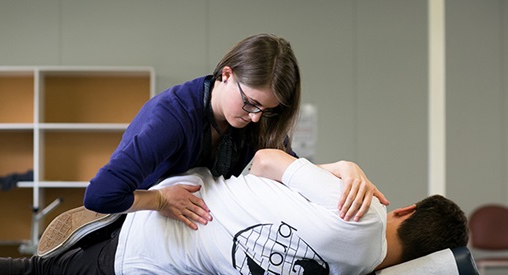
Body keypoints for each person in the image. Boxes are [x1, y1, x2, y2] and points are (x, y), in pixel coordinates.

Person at [0, 149, 468, 275]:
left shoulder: (362, 204)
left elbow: (264, 159)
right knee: (39, 260)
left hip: (152, 219)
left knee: (35, 266)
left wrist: (341, 166)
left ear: (407, 210)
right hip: (150, 251)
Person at [38, 33, 389, 256]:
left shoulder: (261, 119)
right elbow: (100, 195)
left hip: (207, 236)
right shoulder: (170, 118)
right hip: (137, 236)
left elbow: (285, 171)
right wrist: (159, 200)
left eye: (267, 110)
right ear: (226, 75)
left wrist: (343, 169)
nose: (255, 118)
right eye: (250, 103)